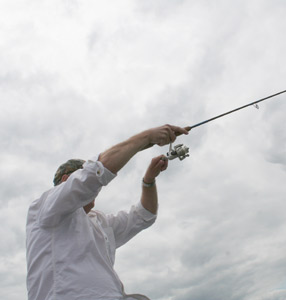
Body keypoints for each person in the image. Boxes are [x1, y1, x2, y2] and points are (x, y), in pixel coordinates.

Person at [26, 124, 189, 300]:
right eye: (80, 177)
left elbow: (144, 216)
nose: (95, 188)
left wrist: (149, 180)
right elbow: (95, 173)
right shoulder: (46, 205)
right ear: (66, 181)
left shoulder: (100, 222)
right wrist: (148, 137)